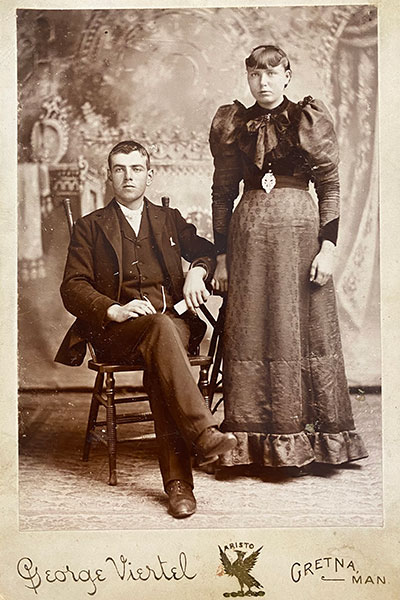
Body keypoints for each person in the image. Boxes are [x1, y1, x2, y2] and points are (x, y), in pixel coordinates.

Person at [55, 140, 237, 518]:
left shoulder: (169, 220)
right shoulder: (90, 227)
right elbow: (72, 287)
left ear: (149, 175)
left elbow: (206, 251)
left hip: (170, 326)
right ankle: (194, 452)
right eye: (119, 169)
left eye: (136, 169)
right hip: (116, 333)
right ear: (109, 176)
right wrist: (114, 309)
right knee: (160, 338)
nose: (128, 176)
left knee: (162, 336)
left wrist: (198, 272)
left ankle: (181, 483)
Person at [209, 45, 368, 473]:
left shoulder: (306, 119)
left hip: (300, 242)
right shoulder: (234, 124)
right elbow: (222, 193)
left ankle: (314, 441)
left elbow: (330, 186)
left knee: (304, 330)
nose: (263, 82)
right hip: (247, 242)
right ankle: (250, 443)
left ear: (287, 75)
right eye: (255, 74)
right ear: (248, 77)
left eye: (272, 73)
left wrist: (328, 248)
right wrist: (221, 256)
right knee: (252, 329)